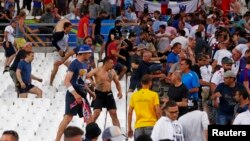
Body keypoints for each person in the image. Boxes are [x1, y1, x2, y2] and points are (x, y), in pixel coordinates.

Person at [55, 45, 95, 141]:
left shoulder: (84, 64)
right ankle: (57, 139)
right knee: (68, 118)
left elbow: (82, 81)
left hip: (82, 93)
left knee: (89, 119)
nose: (90, 55)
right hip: (74, 94)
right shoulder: (74, 63)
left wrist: (91, 91)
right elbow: (66, 81)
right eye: (89, 53)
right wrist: (75, 94)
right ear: (83, 53)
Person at [86, 57, 122, 127]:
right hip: (99, 94)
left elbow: (117, 83)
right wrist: (92, 81)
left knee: (113, 113)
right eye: (111, 63)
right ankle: (89, 131)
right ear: (106, 63)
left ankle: (118, 133)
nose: (113, 64)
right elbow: (86, 76)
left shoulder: (112, 71)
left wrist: (120, 92)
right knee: (96, 112)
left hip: (108, 93)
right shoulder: (97, 70)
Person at [128, 75, 161, 140]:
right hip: (151, 125)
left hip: (138, 126)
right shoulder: (154, 94)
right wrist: (160, 124)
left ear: (141, 83)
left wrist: (129, 128)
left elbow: (129, 113)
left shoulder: (134, 96)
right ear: (150, 83)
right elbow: (158, 111)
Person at [50, 22, 72, 86]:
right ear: (66, 27)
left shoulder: (67, 35)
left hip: (64, 53)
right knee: (56, 68)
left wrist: (67, 49)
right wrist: (59, 49)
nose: (71, 28)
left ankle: (69, 81)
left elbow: (65, 44)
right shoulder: (60, 34)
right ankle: (50, 83)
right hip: (57, 53)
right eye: (70, 27)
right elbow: (53, 42)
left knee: (70, 66)